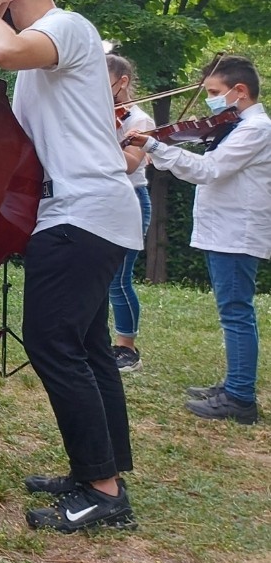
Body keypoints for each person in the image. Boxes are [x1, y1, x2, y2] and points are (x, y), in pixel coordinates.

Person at [0, 0, 142, 532]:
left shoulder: (66, 27)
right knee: (90, 349)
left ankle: (103, 492)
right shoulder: (49, 52)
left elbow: (1, 49)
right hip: (83, 213)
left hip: (81, 214)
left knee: (51, 344)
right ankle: (103, 468)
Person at [130, 55, 270, 424]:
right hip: (224, 230)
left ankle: (241, 398)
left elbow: (210, 170)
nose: (209, 100)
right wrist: (158, 147)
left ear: (240, 91)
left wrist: (156, 146)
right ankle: (234, 385)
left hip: (236, 232)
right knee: (233, 311)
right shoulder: (237, 126)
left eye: (213, 92)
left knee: (236, 312)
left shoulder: (256, 129)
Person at [106, 55, 155, 374]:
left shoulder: (140, 120)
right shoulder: (99, 114)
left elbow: (129, 164)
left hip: (133, 198)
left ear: (122, 81)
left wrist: (104, 135)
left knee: (119, 280)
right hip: (104, 199)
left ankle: (128, 349)